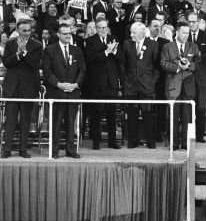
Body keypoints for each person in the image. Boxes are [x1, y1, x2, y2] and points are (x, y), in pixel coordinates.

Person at [43, 23, 87, 159]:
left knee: (70, 124)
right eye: (65, 33)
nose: (68, 36)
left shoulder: (77, 50)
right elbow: (47, 71)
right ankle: (54, 151)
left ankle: (70, 150)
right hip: (57, 93)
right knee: (56, 124)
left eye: (69, 33)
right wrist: (58, 84)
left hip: (73, 92)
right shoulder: (50, 50)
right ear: (58, 35)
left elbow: (82, 69)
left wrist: (75, 84)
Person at [1, 19, 42, 159]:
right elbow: (6, 63)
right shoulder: (10, 44)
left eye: (29, 30)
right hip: (12, 88)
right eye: (24, 30)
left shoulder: (37, 45)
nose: (27, 33)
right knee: (10, 120)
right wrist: (18, 54)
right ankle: (6, 150)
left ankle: (23, 150)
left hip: (28, 88)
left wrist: (24, 52)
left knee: (25, 120)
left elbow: (35, 64)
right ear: (17, 30)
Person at [119, 22, 159, 149]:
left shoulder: (153, 44)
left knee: (148, 114)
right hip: (131, 86)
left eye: (134, 32)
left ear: (142, 33)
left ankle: (150, 141)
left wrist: (152, 82)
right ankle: (132, 141)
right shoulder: (126, 44)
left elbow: (157, 66)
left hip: (147, 86)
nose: (131, 34)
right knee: (132, 115)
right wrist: (125, 81)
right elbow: (122, 65)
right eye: (131, 32)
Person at [160, 22, 200, 150]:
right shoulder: (167, 47)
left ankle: (185, 143)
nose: (186, 35)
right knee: (173, 116)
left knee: (187, 117)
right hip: (173, 86)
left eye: (188, 33)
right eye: (183, 32)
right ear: (176, 33)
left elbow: (198, 63)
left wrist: (189, 65)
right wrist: (178, 67)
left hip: (188, 86)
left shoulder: (194, 47)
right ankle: (174, 143)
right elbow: (164, 63)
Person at [85, 16, 122, 150]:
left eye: (105, 27)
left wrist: (115, 50)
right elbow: (90, 59)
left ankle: (112, 141)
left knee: (111, 113)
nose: (104, 30)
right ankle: (96, 141)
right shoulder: (90, 41)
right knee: (96, 113)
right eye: (101, 27)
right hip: (96, 83)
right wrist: (106, 51)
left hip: (111, 82)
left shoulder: (114, 39)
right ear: (96, 28)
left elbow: (121, 58)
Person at [188, 13, 206, 143]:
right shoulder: (184, 34)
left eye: (193, 22)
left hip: (202, 76)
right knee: (188, 107)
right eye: (189, 22)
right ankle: (187, 135)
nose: (191, 24)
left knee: (201, 107)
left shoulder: (205, 35)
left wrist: (198, 57)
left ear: (198, 22)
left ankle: (199, 135)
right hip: (187, 77)